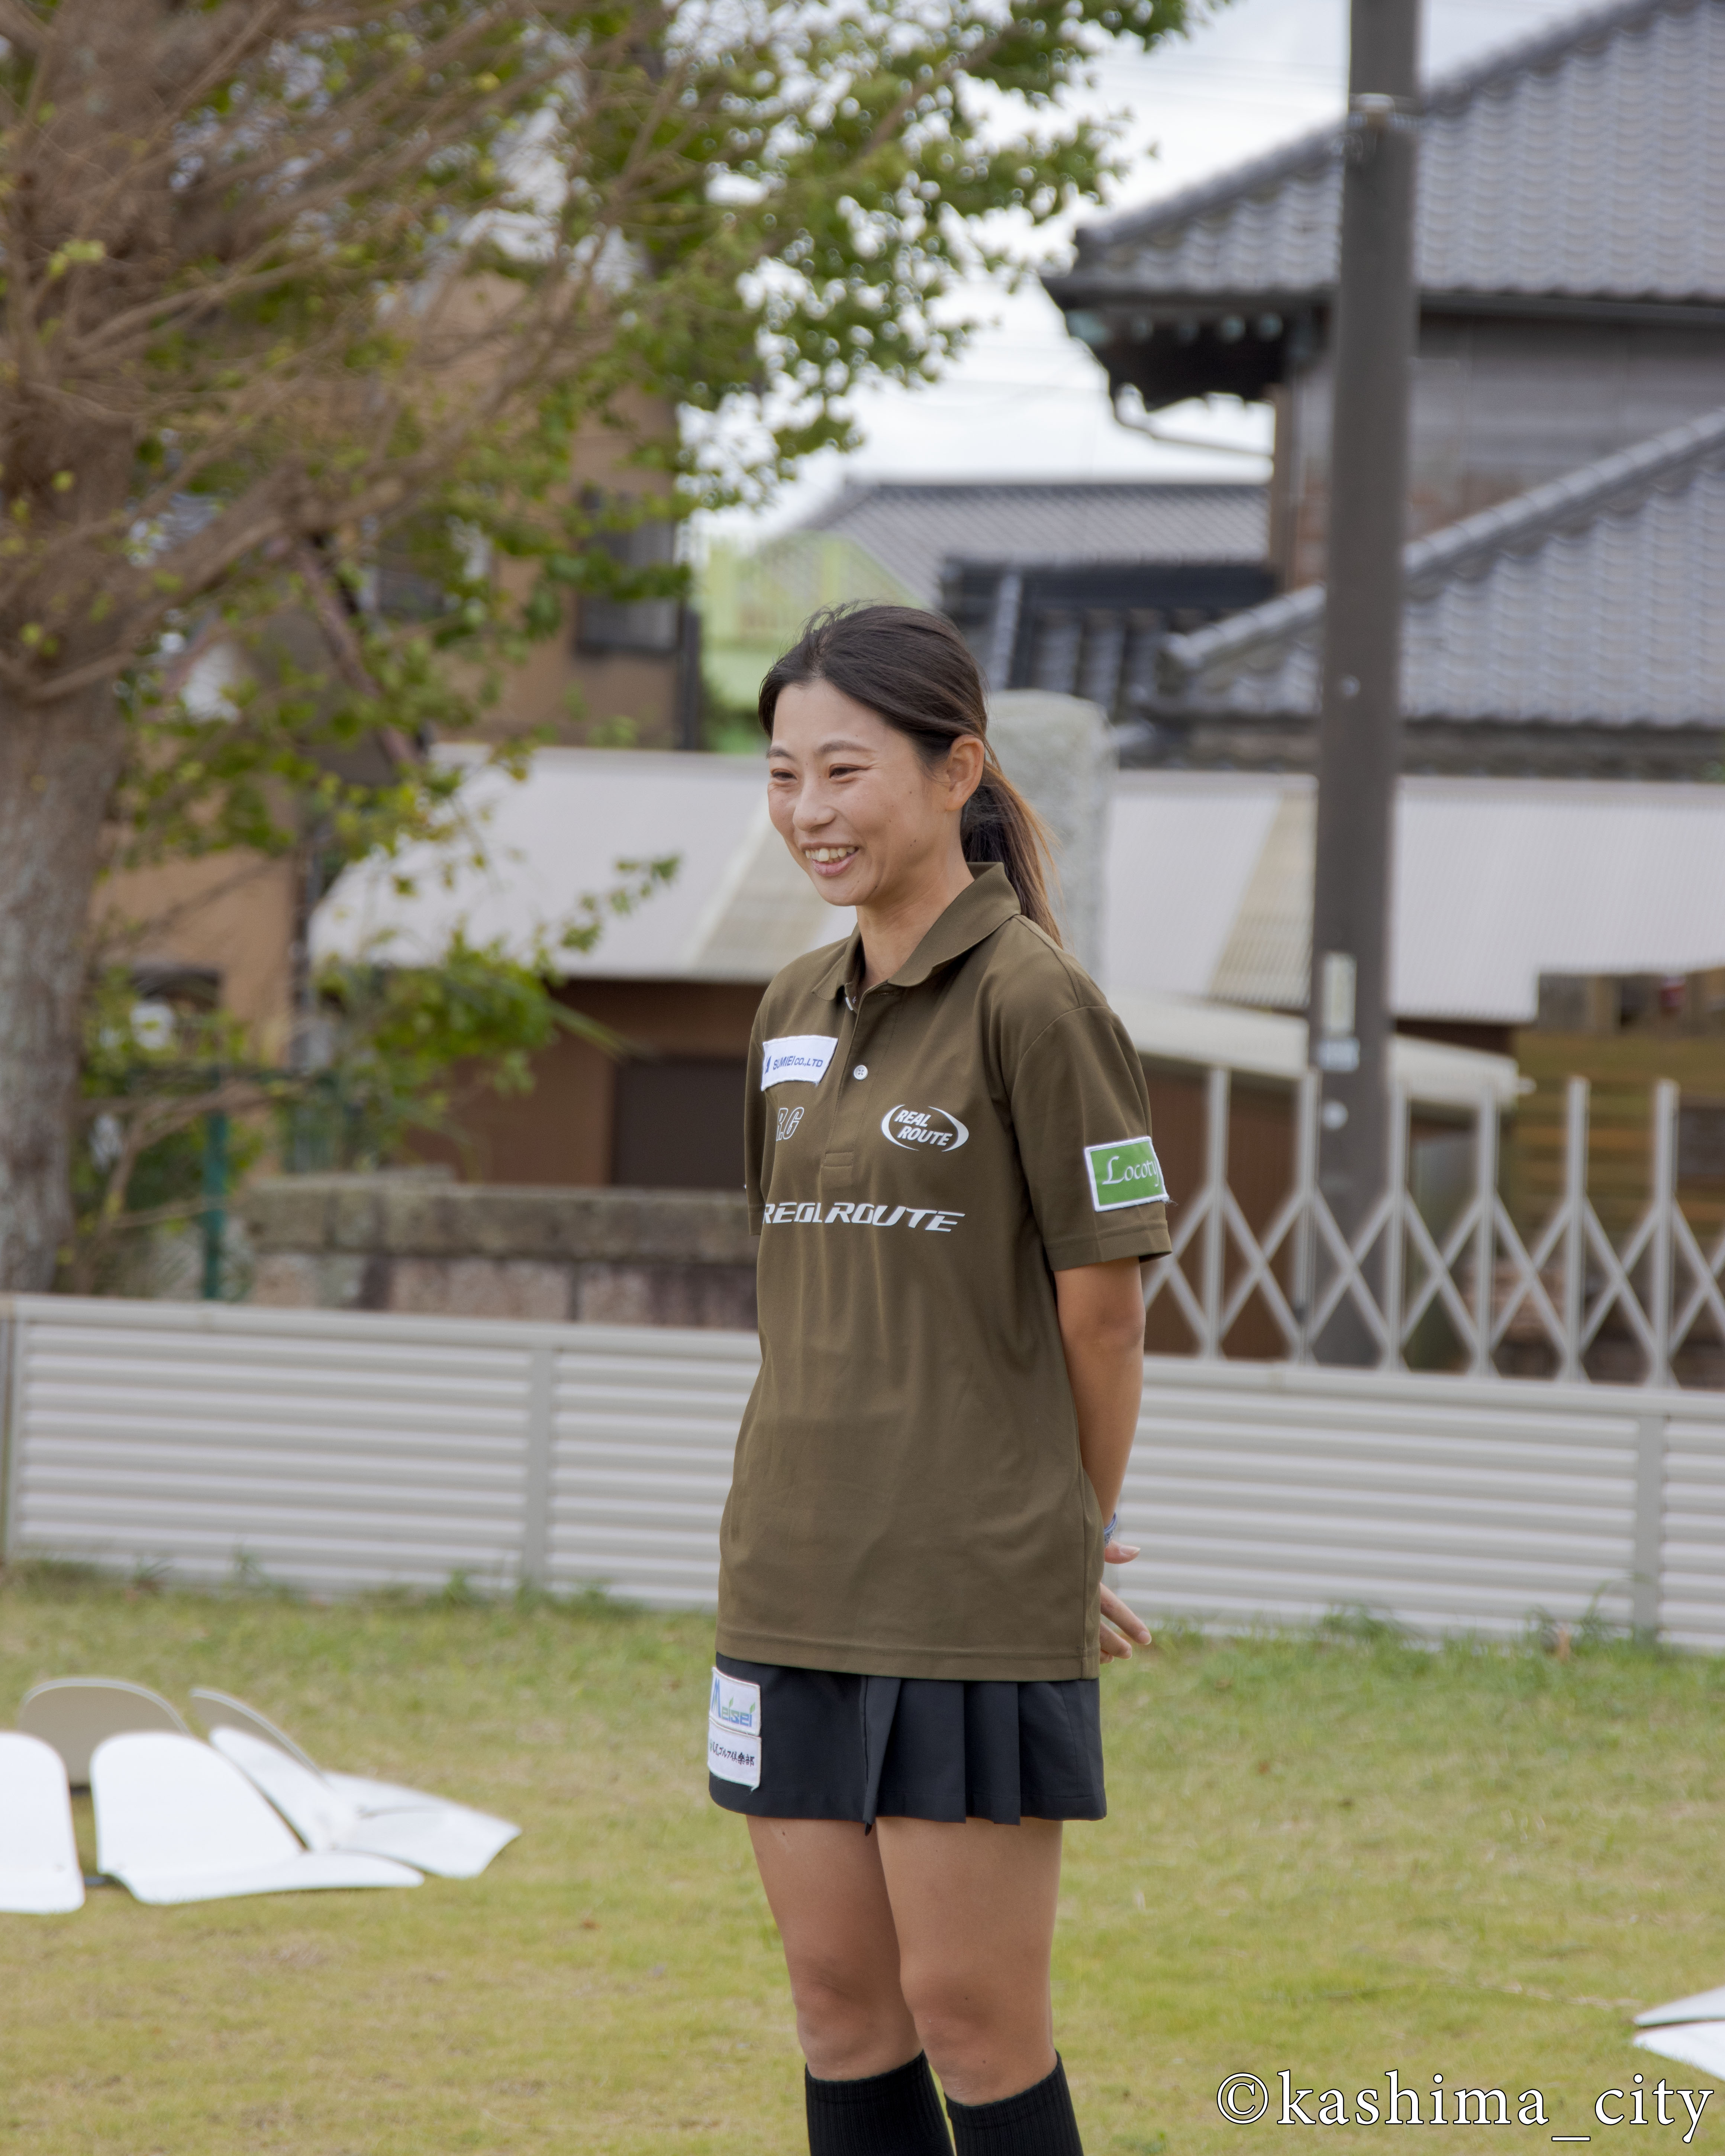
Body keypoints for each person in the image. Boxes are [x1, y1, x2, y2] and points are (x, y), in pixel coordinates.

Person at [710, 603, 1171, 2156]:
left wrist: (1070, 1536)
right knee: (840, 2013)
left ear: (953, 766)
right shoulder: (784, 1012)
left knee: (973, 2026)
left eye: (842, 769)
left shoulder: (1037, 1004)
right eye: (781, 774)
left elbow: (1101, 1323)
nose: (808, 811)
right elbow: (798, 1292)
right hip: (788, 1576)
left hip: (964, 1593)